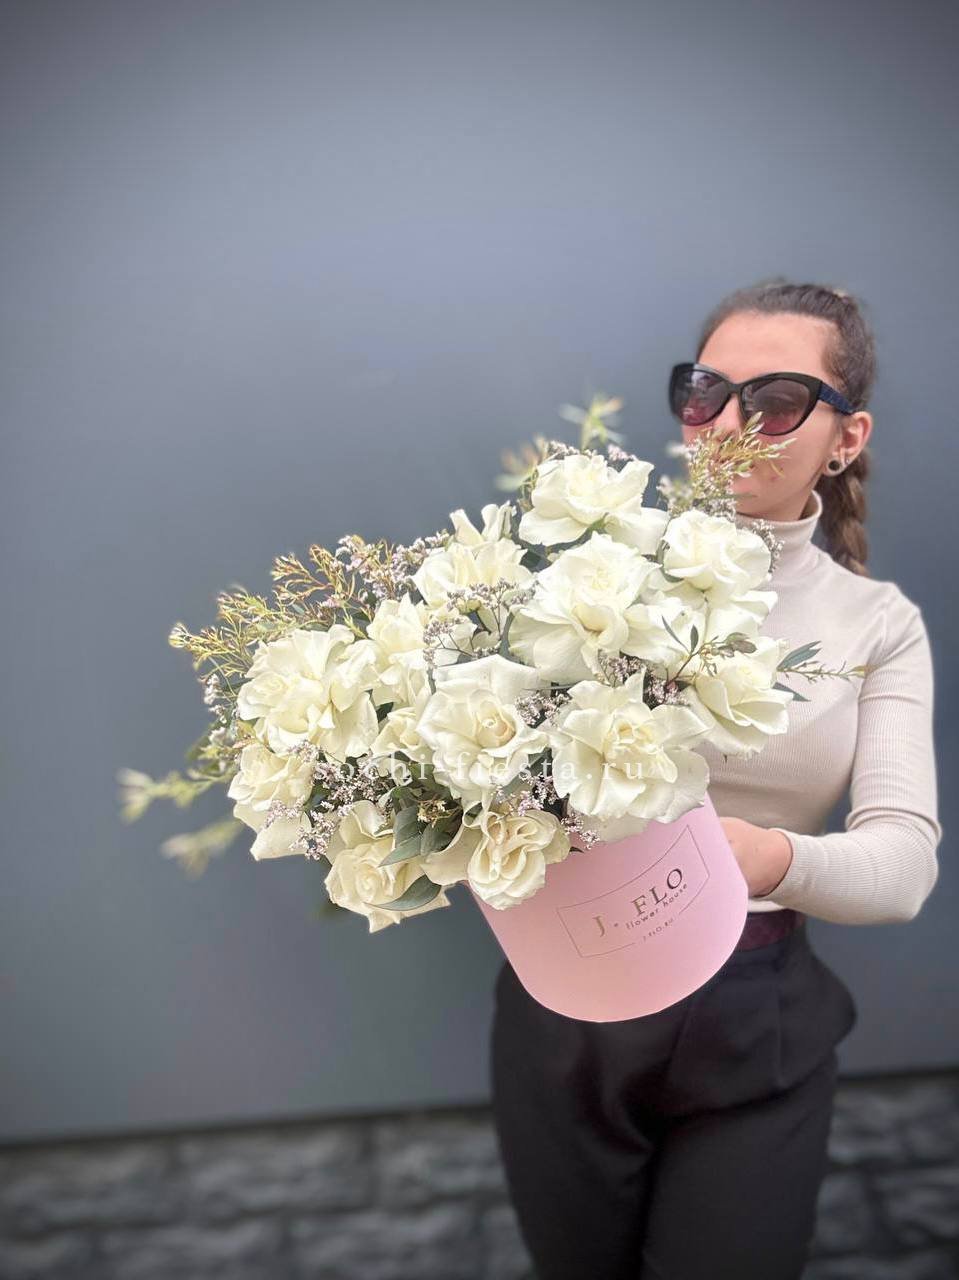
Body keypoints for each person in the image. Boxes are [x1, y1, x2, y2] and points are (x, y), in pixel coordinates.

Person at [489, 277, 943, 1280]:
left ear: (845, 437)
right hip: (564, 1002)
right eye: (705, 393)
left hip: (756, 1020)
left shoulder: (877, 627)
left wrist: (751, 857)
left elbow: (903, 865)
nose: (729, 426)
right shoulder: (584, 571)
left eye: (776, 401)